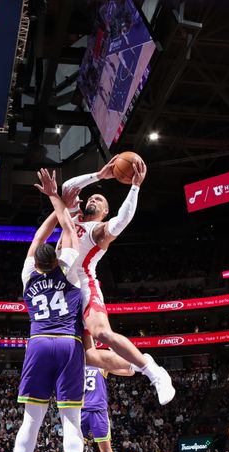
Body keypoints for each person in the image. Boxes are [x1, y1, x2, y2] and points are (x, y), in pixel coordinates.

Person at [3, 169, 86, 452]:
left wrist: (56, 205)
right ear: (56, 259)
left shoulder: (26, 275)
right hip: (67, 344)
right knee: (71, 422)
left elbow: (40, 237)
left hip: (37, 344)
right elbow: (68, 231)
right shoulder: (68, 268)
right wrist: (61, 203)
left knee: (31, 421)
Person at [61, 156, 175, 405]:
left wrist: (134, 186)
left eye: (99, 200)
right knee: (88, 356)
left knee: (102, 332)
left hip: (83, 285)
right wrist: (99, 176)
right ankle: (142, 364)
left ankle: (155, 374)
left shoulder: (99, 231)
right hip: (62, 292)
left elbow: (123, 220)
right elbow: (68, 188)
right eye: (92, 197)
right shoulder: (72, 218)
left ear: (104, 212)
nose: (93, 198)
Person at [80, 364, 134, 452]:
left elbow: (128, 372)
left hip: (98, 411)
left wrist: (134, 365)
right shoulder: (75, 362)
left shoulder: (100, 365)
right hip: (79, 410)